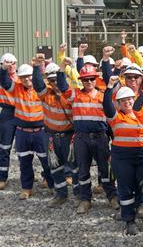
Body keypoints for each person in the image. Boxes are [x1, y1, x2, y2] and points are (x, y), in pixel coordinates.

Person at [57, 63, 118, 214]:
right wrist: (61, 69)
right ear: (81, 81)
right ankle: (85, 199)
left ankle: (112, 196)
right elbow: (63, 86)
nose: (89, 82)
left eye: (91, 79)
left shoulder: (103, 96)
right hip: (81, 138)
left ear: (96, 79)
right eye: (85, 79)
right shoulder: (75, 94)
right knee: (83, 170)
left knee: (105, 169)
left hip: (100, 138)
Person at [103, 77, 143, 235]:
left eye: (129, 99)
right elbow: (106, 106)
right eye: (123, 100)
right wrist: (109, 87)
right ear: (118, 103)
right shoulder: (116, 117)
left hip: (142, 156)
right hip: (122, 157)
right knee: (125, 189)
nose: (127, 102)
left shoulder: (142, 115)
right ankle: (129, 220)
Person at [1, 61, 54, 200]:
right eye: (23, 76)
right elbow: (5, 82)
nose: (26, 79)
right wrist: (3, 69)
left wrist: (36, 67)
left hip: (40, 131)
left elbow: (38, 80)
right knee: (24, 162)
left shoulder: (42, 89)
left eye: (29, 76)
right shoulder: (16, 88)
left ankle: (52, 185)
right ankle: (26, 188)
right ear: (19, 78)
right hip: (22, 132)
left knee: (46, 161)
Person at [37, 62, 77, 206]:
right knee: (55, 167)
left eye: (56, 80)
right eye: (51, 80)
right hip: (52, 137)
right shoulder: (45, 94)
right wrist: (37, 66)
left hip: (69, 136)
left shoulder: (70, 93)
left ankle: (79, 196)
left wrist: (61, 71)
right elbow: (37, 84)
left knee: (75, 166)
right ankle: (61, 194)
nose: (54, 83)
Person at [0, 53, 17, 190]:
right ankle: (2, 177)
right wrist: (3, 70)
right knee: (5, 147)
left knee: (28, 147)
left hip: (22, 111)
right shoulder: (1, 78)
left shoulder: (22, 77)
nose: (11, 66)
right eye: (7, 63)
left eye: (13, 63)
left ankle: (28, 175)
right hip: (7, 113)